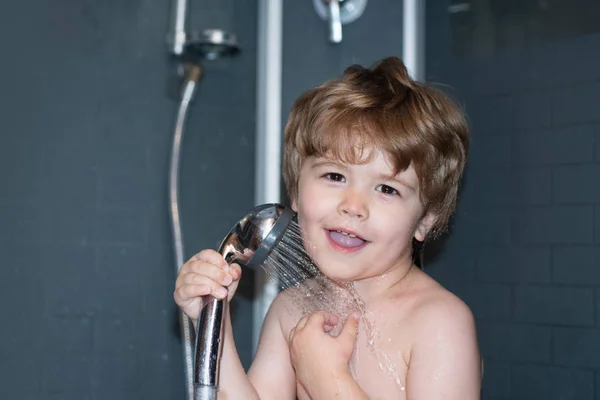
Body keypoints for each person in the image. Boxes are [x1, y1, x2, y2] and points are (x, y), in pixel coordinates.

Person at [174, 56, 481, 399]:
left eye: (387, 189)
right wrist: (213, 321)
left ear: (424, 219)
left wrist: (325, 379)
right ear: (295, 190)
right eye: (334, 176)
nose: (353, 205)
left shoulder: (438, 322)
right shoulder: (291, 310)